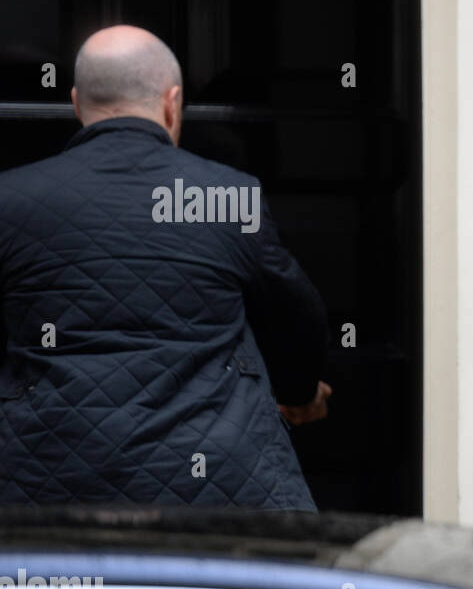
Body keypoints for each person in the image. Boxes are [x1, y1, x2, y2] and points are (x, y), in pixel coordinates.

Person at [0, 25, 330, 509]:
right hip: (220, 482)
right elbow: (297, 316)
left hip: (45, 479)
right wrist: (301, 391)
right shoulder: (222, 195)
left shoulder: (10, 198)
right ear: (172, 102)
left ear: (76, 103)